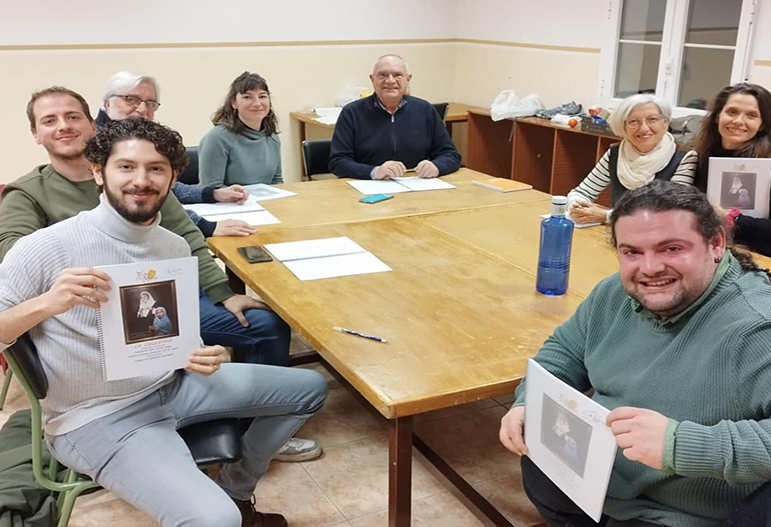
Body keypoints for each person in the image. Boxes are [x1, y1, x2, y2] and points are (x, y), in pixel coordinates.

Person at [499, 181, 771, 527]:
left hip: (678, 512)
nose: (649, 267)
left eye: (671, 248)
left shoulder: (767, 325)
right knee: (535, 458)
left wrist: (681, 445)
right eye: (631, 252)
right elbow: (564, 350)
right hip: (602, 479)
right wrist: (527, 400)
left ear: (716, 244)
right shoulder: (614, 292)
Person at [0, 118, 329, 527]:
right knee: (215, 521)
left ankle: (237, 490)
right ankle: (228, 508)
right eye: (126, 167)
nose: (142, 180)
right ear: (97, 172)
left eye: (156, 168)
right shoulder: (45, 248)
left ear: (173, 178)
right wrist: (47, 303)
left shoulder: (172, 246)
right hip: (96, 416)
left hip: (173, 385)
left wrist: (195, 353)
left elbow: (166, 333)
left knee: (310, 389)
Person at [96, 71, 255, 239]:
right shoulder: (97, 147)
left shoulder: (137, 138)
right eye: (131, 99)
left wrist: (212, 194)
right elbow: (146, 204)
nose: (142, 109)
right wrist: (206, 226)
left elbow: (163, 187)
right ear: (108, 104)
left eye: (150, 103)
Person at [672, 83, 771, 260]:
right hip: (704, 254)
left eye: (751, 115)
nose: (738, 121)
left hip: (756, 260)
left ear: (762, 124)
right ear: (718, 116)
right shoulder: (700, 158)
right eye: (732, 112)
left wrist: (733, 219)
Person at [566, 94, 695, 224]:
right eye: (633, 121)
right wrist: (577, 208)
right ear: (624, 127)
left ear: (665, 123)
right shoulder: (615, 154)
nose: (644, 128)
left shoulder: (685, 158)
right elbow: (583, 191)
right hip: (620, 234)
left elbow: (671, 211)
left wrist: (605, 216)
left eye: (652, 119)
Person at [328, 54, 461, 180]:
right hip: (367, 185)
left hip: (417, 185)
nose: (390, 81)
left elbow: (451, 155)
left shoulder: (425, 110)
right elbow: (338, 162)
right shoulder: (352, 112)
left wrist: (437, 167)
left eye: (397, 75)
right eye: (382, 75)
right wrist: (374, 172)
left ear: (408, 79)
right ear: (372, 79)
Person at [199, 72, 283, 188]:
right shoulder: (217, 138)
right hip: (229, 204)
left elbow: (277, 180)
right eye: (247, 97)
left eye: (262, 96)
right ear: (234, 103)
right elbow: (211, 187)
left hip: (264, 202)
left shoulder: (272, 136)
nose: (257, 103)